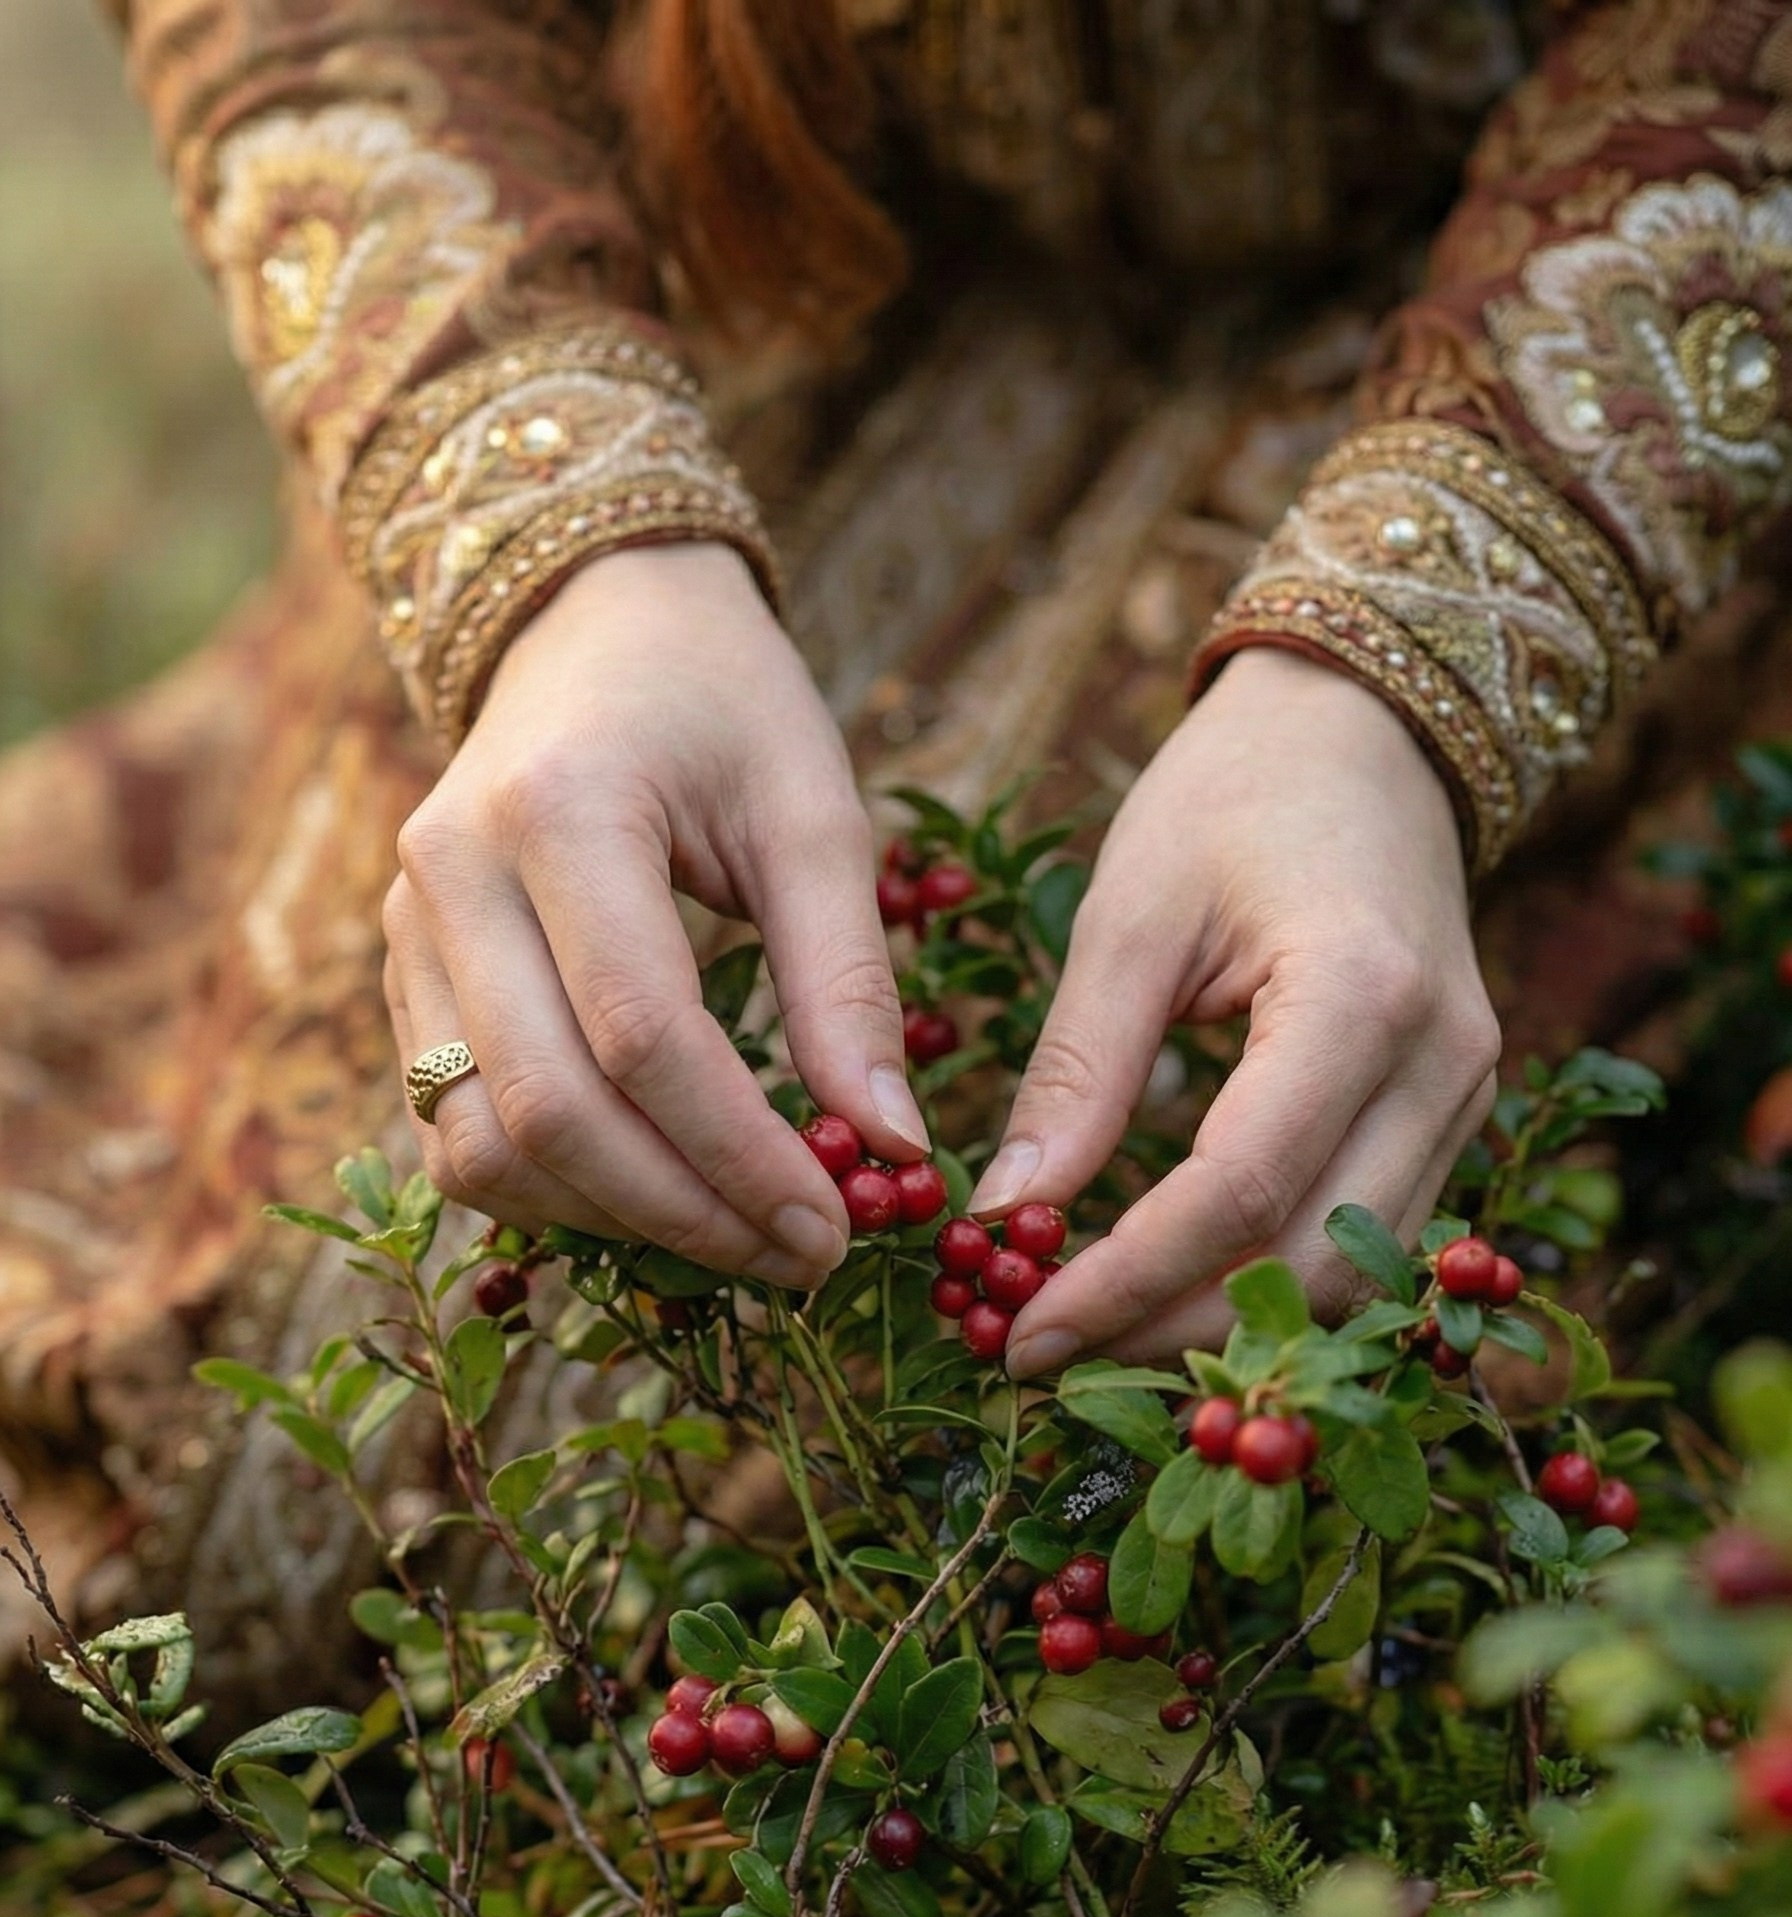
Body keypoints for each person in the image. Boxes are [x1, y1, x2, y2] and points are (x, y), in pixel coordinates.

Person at [0, 0, 1787, 1666]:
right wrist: (566, 555)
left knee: (1091, 1327)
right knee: (400, 1170)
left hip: (1525, 339)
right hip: (756, 265)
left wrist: (1414, 681)